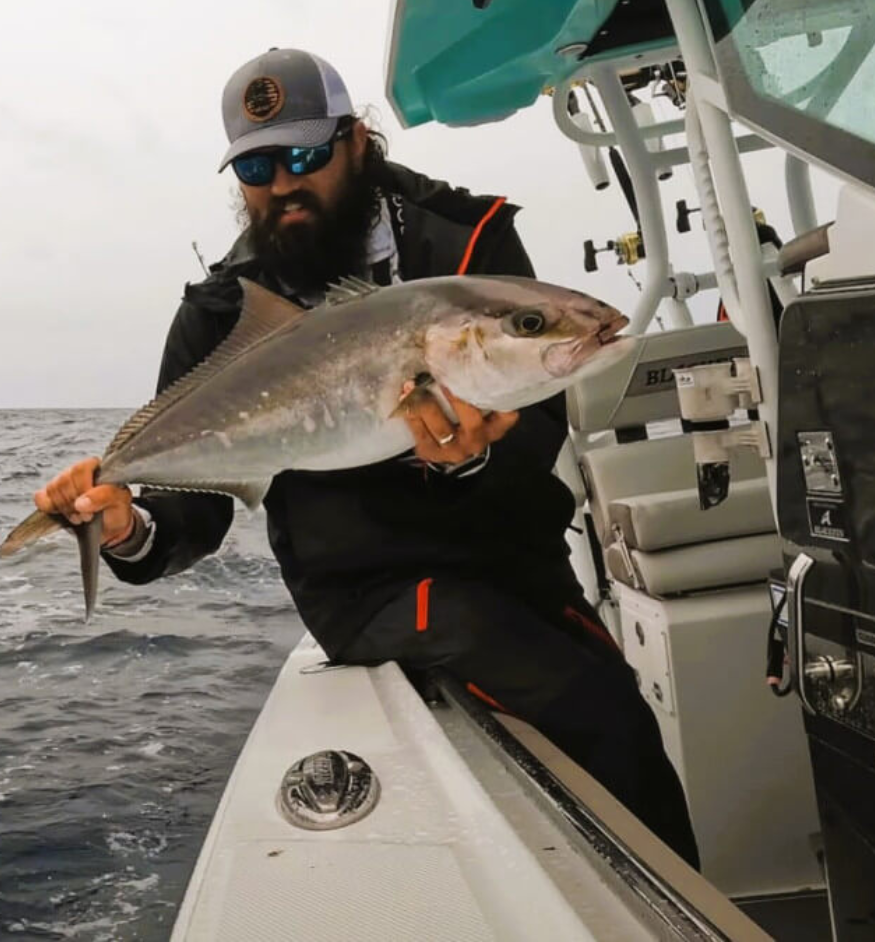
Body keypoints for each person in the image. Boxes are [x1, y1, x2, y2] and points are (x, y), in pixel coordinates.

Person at [35, 48, 700, 867]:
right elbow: (195, 515)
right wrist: (126, 520)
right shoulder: (218, 314)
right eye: (255, 166)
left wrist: (469, 464)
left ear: (357, 140)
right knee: (587, 705)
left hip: (513, 553)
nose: (282, 184)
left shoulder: (466, 241)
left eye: (305, 155)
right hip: (365, 592)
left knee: (621, 719)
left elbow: (537, 434)